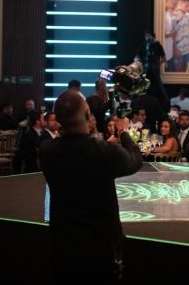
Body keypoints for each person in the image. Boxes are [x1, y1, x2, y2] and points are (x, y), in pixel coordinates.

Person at [38, 90, 142, 284]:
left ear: (58, 120)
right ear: (87, 116)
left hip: (63, 249)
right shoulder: (104, 151)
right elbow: (135, 161)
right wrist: (124, 132)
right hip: (101, 251)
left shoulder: (47, 151)